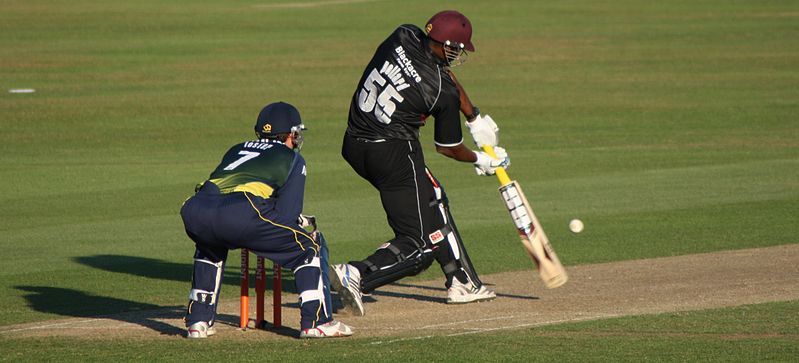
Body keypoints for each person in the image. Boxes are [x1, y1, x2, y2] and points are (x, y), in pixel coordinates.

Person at [330, 10, 509, 316]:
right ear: (446, 44)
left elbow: (444, 76)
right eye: (456, 48)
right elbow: (448, 148)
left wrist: (473, 116)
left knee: (433, 196)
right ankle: (357, 273)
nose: (458, 54)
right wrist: (481, 159)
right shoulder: (440, 91)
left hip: (354, 143)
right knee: (418, 245)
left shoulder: (404, 34)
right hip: (394, 154)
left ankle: (461, 280)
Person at [180, 102, 353, 339]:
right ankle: (317, 322)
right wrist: (298, 224)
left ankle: (198, 322)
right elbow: (286, 215)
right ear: (291, 134)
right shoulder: (292, 159)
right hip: (242, 212)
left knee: (210, 247)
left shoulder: (237, 148)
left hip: (196, 209)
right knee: (308, 246)